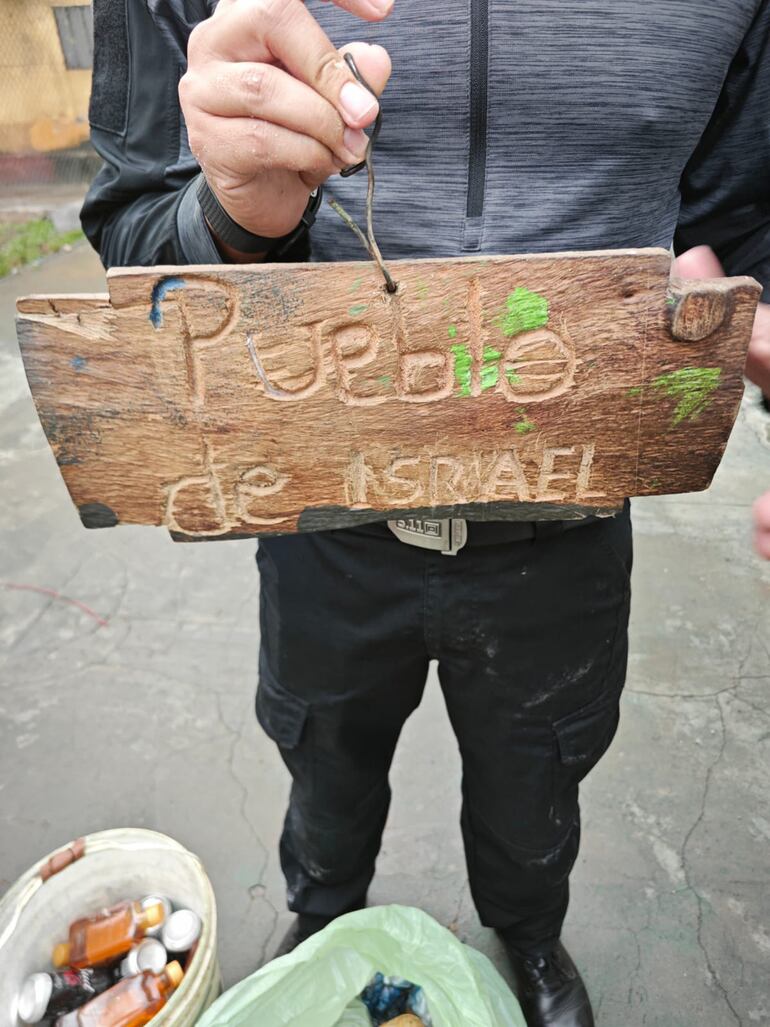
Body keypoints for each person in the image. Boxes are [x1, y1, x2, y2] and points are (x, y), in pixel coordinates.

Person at [82, 2, 770, 1024]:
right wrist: (232, 217)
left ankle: (528, 932)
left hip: (569, 512)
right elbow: (137, 231)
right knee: (322, 756)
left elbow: (742, 219)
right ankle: (322, 916)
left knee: (537, 778)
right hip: (317, 507)